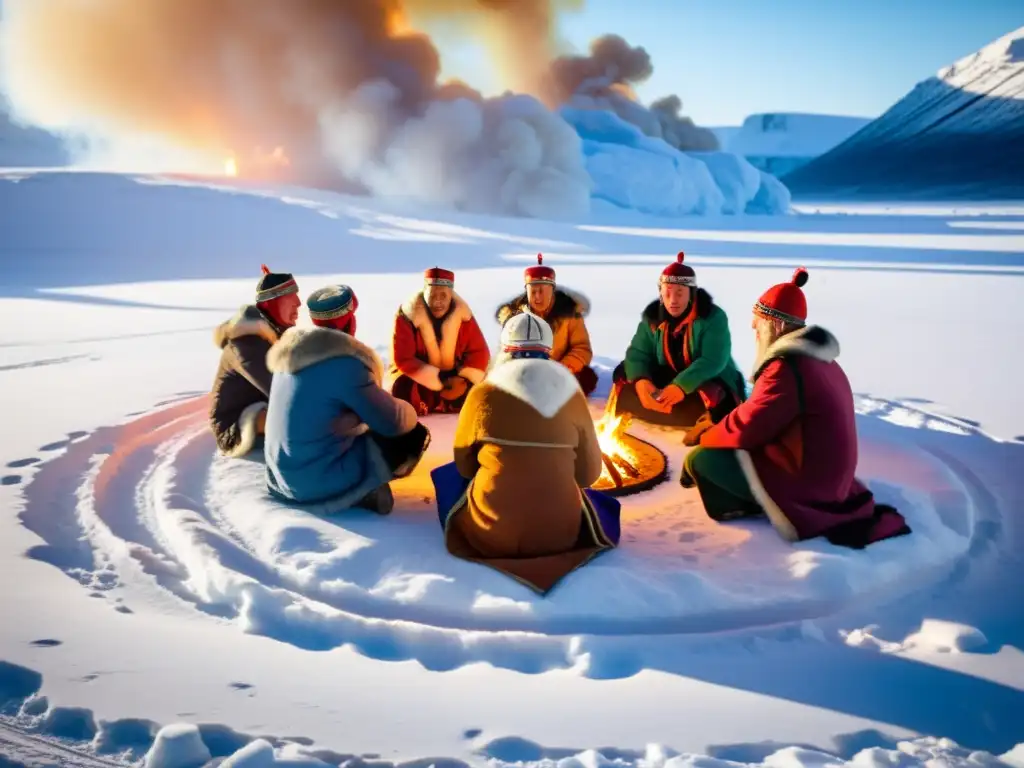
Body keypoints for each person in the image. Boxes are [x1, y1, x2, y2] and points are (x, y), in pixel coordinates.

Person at [680, 268, 911, 548]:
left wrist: (707, 435)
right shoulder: (819, 360)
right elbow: (760, 411)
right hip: (828, 478)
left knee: (703, 460)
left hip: (809, 483)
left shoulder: (787, 367)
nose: (753, 331)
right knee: (720, 449)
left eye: (758, 324)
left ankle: (750, 507)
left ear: (774, 326)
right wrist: (721, 423)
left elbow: (749, 428)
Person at [430, 313, 621, 595]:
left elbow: (465, 466)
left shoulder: (482, 393)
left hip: (492, 535)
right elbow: (589, 475)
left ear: (505, 351)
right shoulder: (572, 394)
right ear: (549, 353)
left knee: (447, 476)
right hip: (561, 537)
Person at [263, 285, 430, 515]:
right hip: (313, 483)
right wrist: (408, 409)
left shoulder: (291, 355)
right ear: (350, 320)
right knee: (412, 436)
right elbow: (393, 421)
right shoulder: (345, 364)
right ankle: (360, 491)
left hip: (280, 478)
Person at [611, 252, 746, 432]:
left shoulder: (713, 317)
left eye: (680, 293)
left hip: (705, 378)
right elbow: (638, 353)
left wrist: (681, 387)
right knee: (624, 373)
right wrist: (642, 382)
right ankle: (659, 410)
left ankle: (679, 416)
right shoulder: (653, 318)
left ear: (691, 293)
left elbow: (713, 360)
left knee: (717, 404)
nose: (673, 301)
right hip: (669, 375)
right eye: (667, 293)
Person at [209, 264, 301, 457]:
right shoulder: (246, 344)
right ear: (271, 304)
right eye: (290, 298)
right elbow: (280, 388)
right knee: (302, 419)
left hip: (261, 406)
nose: (298, 303)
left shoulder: (273, 335)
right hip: (235, 427)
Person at [388, 267, 491, 415]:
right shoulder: (406, 316)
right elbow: (402, 357)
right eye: (433, 295)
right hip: (418, 378)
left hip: (454, 377)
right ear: (424, 293)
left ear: (451, 295)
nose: (438, 301)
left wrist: (461, 377)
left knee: (475, 395)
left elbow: (479, 352)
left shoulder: (464, 316)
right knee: (402, 389)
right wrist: (438, 379)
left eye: (443, 295)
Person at [495, 254, 598, 396]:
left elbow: (582, 349)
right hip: (526, 374)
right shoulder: (515, 317)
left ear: (552, 291)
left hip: (561, 372)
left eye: (542, 291)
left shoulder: (569, 314)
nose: (537, 297)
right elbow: (506, 353)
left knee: (586, 378)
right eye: (533, 292)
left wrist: (561, 368)